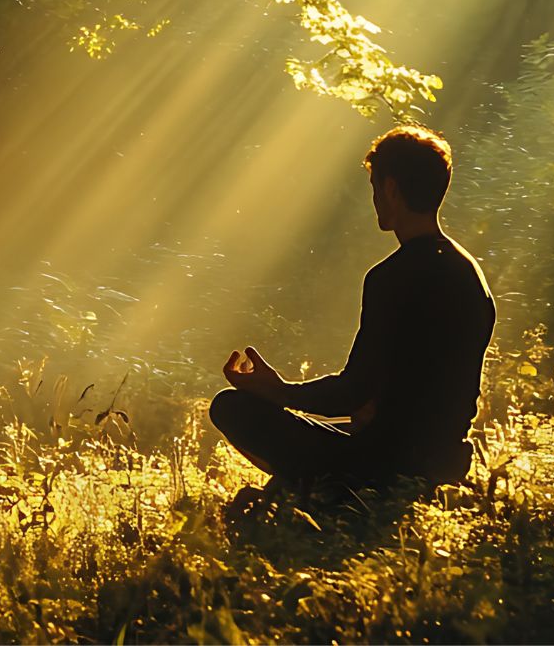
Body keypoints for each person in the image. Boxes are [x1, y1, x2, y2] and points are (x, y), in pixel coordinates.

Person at [210, 124, 495, 488]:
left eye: (375, 187)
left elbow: (352, 391)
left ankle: (323, 493)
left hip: (385, 461)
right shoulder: (470, 273)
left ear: (391, 189)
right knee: (336, 427)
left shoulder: (391, 277)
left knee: (231, 407)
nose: (374, 199)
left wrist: (279, 392)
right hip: (445, 456)